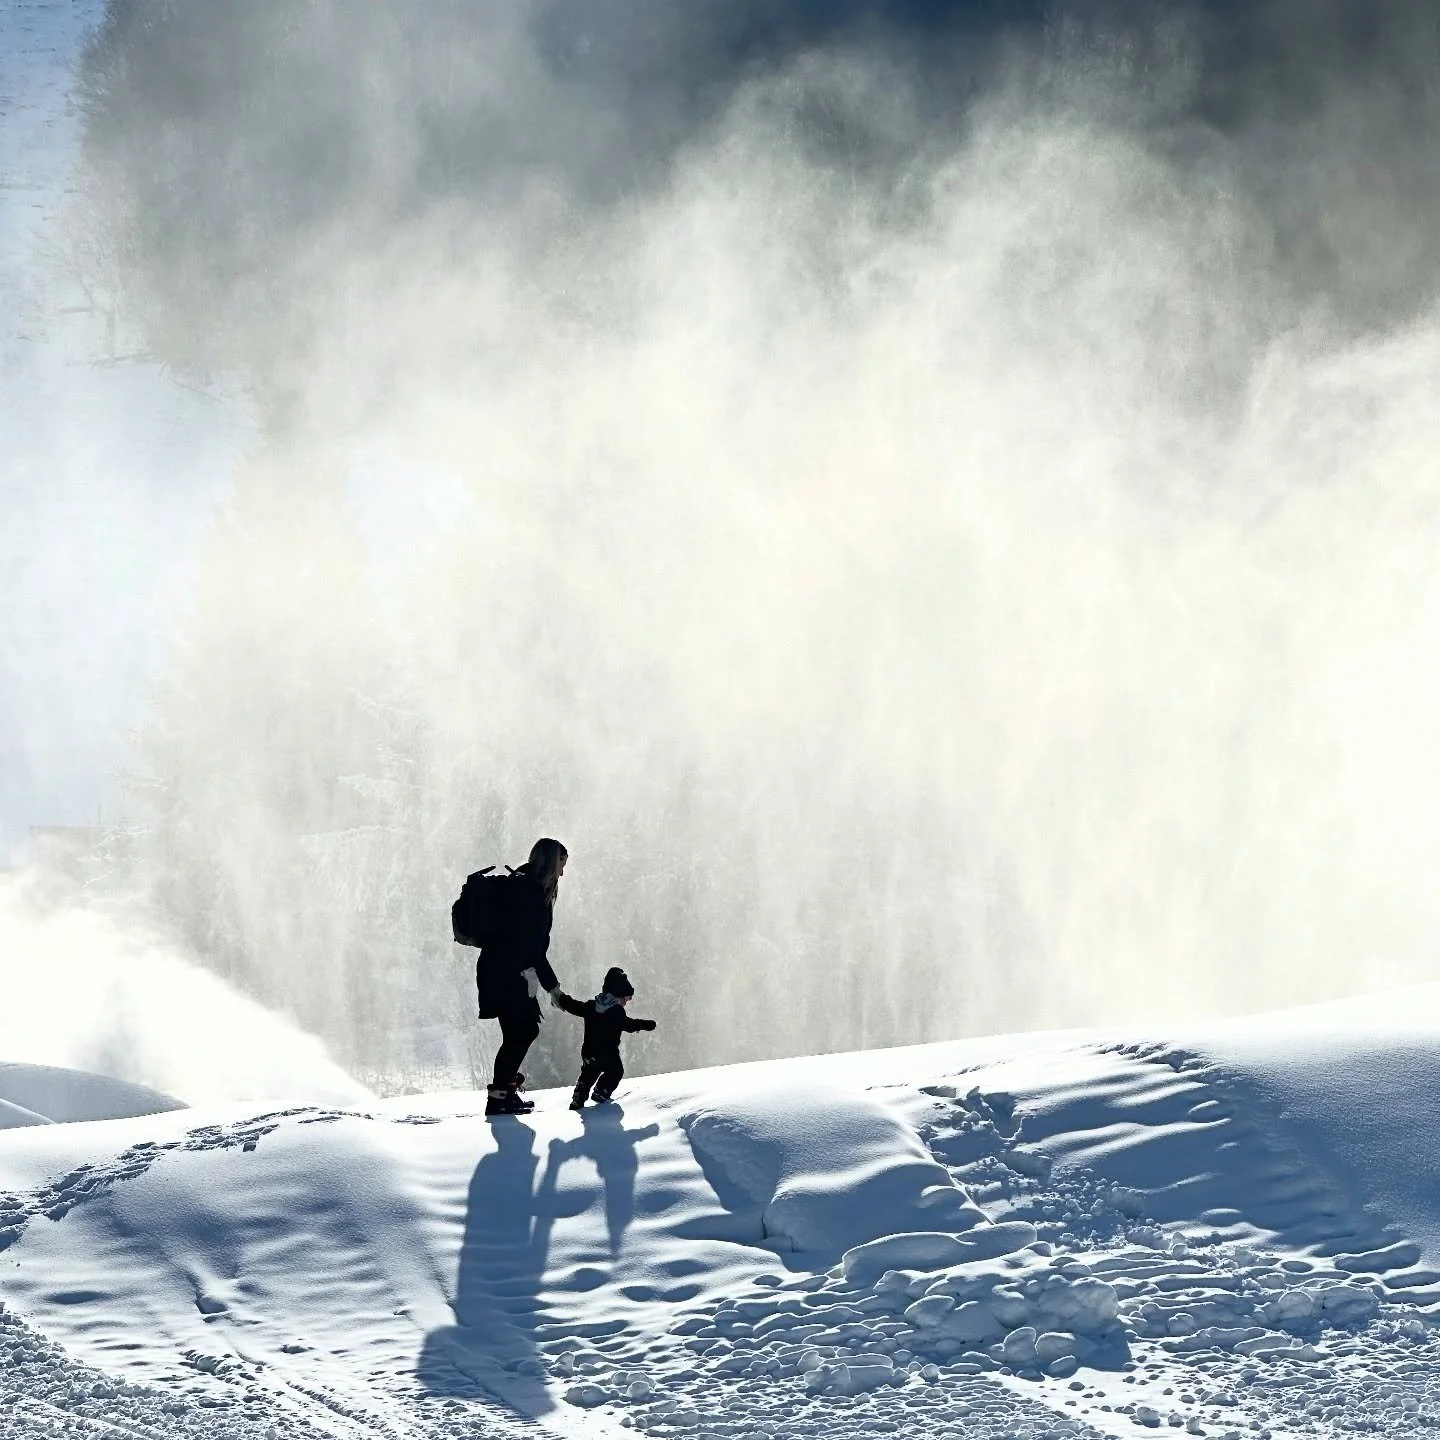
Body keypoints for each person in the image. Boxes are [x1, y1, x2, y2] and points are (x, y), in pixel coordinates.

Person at [476, 837, 571, 1117]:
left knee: (517, 1032)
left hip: (497, 971)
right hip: (509, 975)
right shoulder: (532, 894)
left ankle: (503, 1095)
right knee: (523, 1031)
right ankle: (499, 1098)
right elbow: (534, 949)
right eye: (562, 864)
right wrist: (554, 989)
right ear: (551, 862)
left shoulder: (519, 884)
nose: (562, 873)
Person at [554, 966, 657, 1110]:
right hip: (608, 1054)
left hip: (589, 1052)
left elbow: (575, 1006)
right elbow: (628, 1024)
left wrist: (561, 998)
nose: (627, 1002)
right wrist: (646, 1024)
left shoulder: (592, 1006)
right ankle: (601, 1092)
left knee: (588, 1074)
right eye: (627, 998)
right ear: (619, 995)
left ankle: (578, 1099)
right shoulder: (616, 1011)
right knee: (616, 1071)